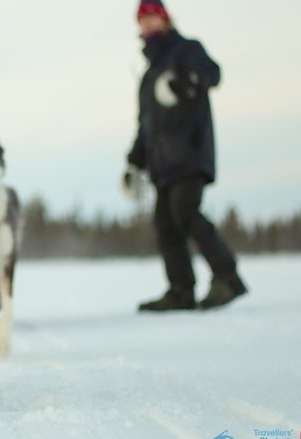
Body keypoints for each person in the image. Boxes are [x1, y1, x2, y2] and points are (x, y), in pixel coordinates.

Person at [124, 0, 247, 311]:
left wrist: (184, 83)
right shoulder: (150, 74)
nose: (149, 24)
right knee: (165, 223)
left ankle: (227, 277)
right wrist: (133, 162)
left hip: (190, 153)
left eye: (154, 17)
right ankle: (181, 290)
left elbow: (211, 74)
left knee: (186, 212)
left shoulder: (186, 49)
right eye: (143, 20)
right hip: (162, 164)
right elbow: (146, 125)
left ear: (166, 19)